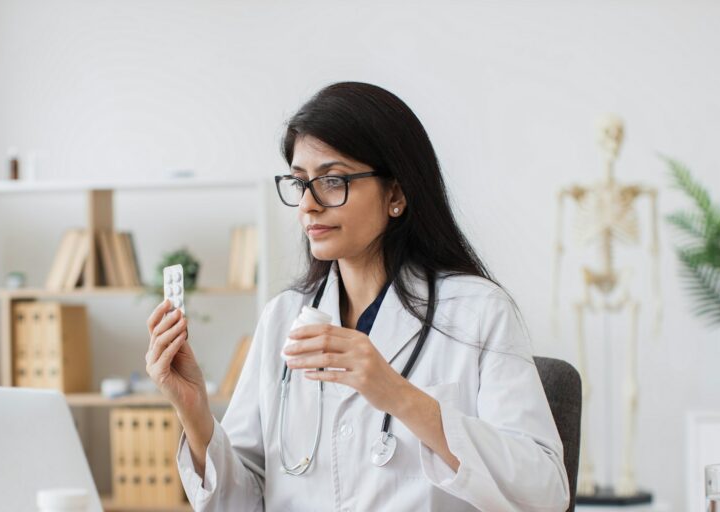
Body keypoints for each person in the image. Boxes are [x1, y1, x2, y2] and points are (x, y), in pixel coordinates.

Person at [145, 82, 570, 511]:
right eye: (299, 182)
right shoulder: (283, 318)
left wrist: (398, 395)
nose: (308, 206)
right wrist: (196, 413)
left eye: (332, 180)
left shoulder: (479, 312)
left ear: (396, 195)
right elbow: (241, 503)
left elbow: (545, 493)